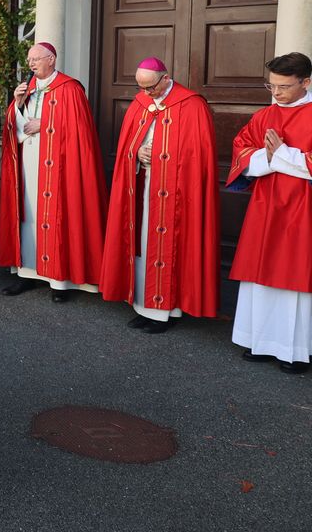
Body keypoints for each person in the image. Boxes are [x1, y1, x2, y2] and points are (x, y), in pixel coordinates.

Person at [99, 58, 220, 333]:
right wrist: (137, 153)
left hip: (178, 194)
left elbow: (196, 156)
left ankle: (168, 310)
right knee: (144, 244)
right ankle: (144, 305)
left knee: (173, 247)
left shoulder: (192, 105)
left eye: (151, 87)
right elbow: (129, 145)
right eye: (141, 88)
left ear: (166, 78)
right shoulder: (141, 103)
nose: (146, 93)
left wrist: (162, 155)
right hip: (146, 187)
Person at [0, 42, 106, 302]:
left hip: (60, 167)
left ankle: (59, 282)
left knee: (58, 216)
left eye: (36, 59)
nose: (31, 64)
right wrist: (18, 104)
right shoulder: (29, 88)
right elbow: (13, 124)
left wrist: (45, 124)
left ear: (52, 59)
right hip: (28, 164)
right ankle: (26, 273)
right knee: (29, 215)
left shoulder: (71, 88)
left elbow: (79, 130)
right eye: (29, 60)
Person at [226, 52, 312, 373]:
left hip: (302, 207)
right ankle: (260, 341)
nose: (276, 93)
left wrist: (284, 155)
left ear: (306, 82)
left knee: (295, 274)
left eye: (284, 87)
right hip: (265, 206)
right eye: (271, 86)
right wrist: (267, 157)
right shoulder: (265, 115)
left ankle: (295, 351)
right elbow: (242, 149)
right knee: (259, 272)